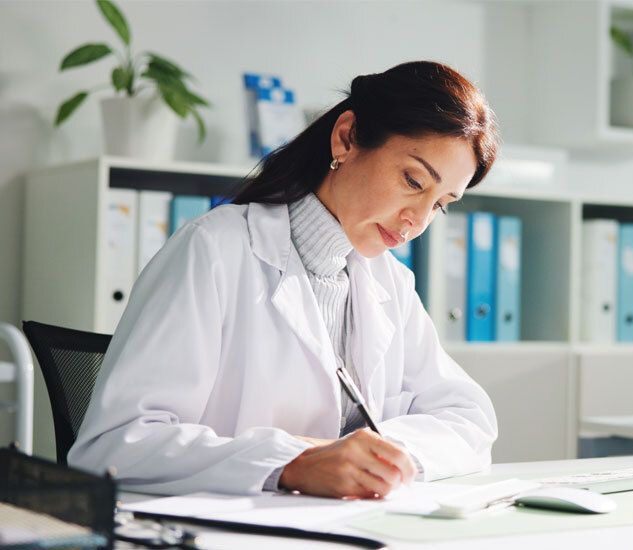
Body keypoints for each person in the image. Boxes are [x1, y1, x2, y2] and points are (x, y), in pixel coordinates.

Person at [68, 61, 500, 498]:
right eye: (413, 180)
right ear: (347, 137)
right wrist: (290, 464)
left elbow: (469, 420)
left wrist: (380, 455)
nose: (418, 220)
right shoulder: (213, 250)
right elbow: (114, 445)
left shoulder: (390, 282)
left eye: (440, 204)